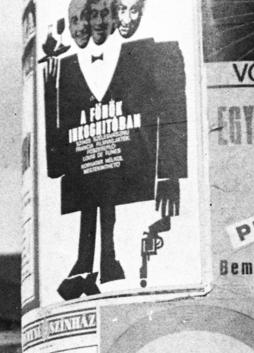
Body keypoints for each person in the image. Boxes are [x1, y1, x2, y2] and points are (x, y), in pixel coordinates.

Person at [43, 0, 187, 300]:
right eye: (82, 18)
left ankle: (107, 261)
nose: (91, 24)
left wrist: (168, 173)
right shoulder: (66, 68)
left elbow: (170, 108)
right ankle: (88, 263)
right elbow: (58, 160)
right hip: (93, 157)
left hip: (130, 168)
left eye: (100, 15)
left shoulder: (146, 54)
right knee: (91, 182)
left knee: (107, 183)